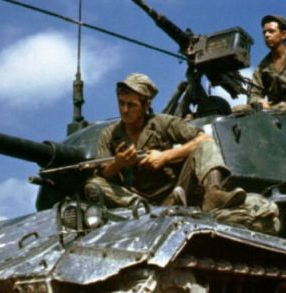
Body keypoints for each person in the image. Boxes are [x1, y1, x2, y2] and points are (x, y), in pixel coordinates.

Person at [85, 73, 246, 211]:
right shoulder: (110, 134)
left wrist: (165, 157)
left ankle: (214, 194)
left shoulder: (162, 123)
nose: (124, 110)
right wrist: (118, 164)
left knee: (205, 146)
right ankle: (141, 209)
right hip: (133, 199)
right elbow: (102, 172)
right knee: (94, 184)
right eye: (121, 103)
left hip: (175, 192)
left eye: (131, 105)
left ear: (146, 105)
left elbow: (204, 138)